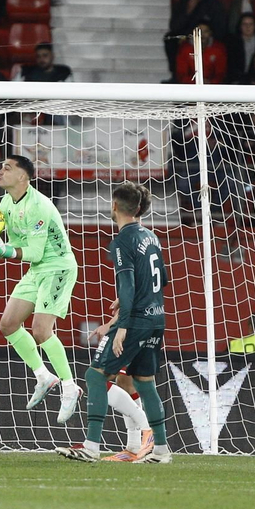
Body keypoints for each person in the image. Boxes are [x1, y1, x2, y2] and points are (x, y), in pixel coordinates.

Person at [60, 182, 171, 464]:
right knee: (145, 384)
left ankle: (91, 446)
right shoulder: (152, 237)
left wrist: (121, 325)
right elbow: (162, 281)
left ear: (114, 206)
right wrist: (119, 314)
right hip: (157, 318)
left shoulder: (122, 240)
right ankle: (160, 451)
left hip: (135, 321)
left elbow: (128, 283)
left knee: (95, 376)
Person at [0, 154, 81, 422]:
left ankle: (69, 386)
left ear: (22, 177)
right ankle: (43, 376)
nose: (0, 171)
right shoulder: (6, 202)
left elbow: (36, 252)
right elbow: (4, 243)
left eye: (7, 168)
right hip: (37, 270)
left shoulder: (38, 205)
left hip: (58, 266)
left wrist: (2, 251)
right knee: (8, 324)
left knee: (41, 329)